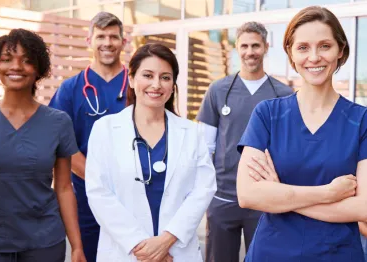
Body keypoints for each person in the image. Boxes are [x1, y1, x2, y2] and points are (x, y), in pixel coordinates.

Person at [237, 6, 367, 262]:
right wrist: (327, 194)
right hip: (272, 253)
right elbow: (248, 194)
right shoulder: (267, 115)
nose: (314, 57)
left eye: (325, 46)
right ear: (291, 54)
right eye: (303, 47)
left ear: (340, 51)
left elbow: (363, 206)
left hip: (337, 255)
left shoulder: (361, 121)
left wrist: (278, 193)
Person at [85, 43, 217, 262]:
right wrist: (144, 248)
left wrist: (166, 241)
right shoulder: (105, 129)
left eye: (165, 77)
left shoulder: (191, 132)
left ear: (173, 84)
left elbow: (203, 188)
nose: (156, 84)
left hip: (176, 252)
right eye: (148, 75)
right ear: (131, 78)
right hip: (126, 252)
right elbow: (99, 193)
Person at [0, 29, 85, 261]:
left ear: (38, 69)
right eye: (7, 59)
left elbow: (64, 188)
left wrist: (76, 247)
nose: (16, 66)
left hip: (43, 242)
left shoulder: (57, 122)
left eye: (26, 61)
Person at [196, 21, 293, 261]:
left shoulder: (284, 95)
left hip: (264, 199)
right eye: (244, 46)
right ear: (237, 49)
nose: (250, 52)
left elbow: (289, 149)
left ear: (266, 47)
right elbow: (204, 148)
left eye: (256, 46)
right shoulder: (218, 90)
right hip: (222, 198)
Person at [49, 11, 128, 262]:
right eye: (101, 36)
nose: (107, 43)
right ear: (89, 40)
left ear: (123, 42)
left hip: (132, 192)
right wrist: (99, 180)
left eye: (114, 37)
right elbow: (61, 143)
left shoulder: (138, 84)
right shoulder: (71, 89)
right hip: (85, 197)